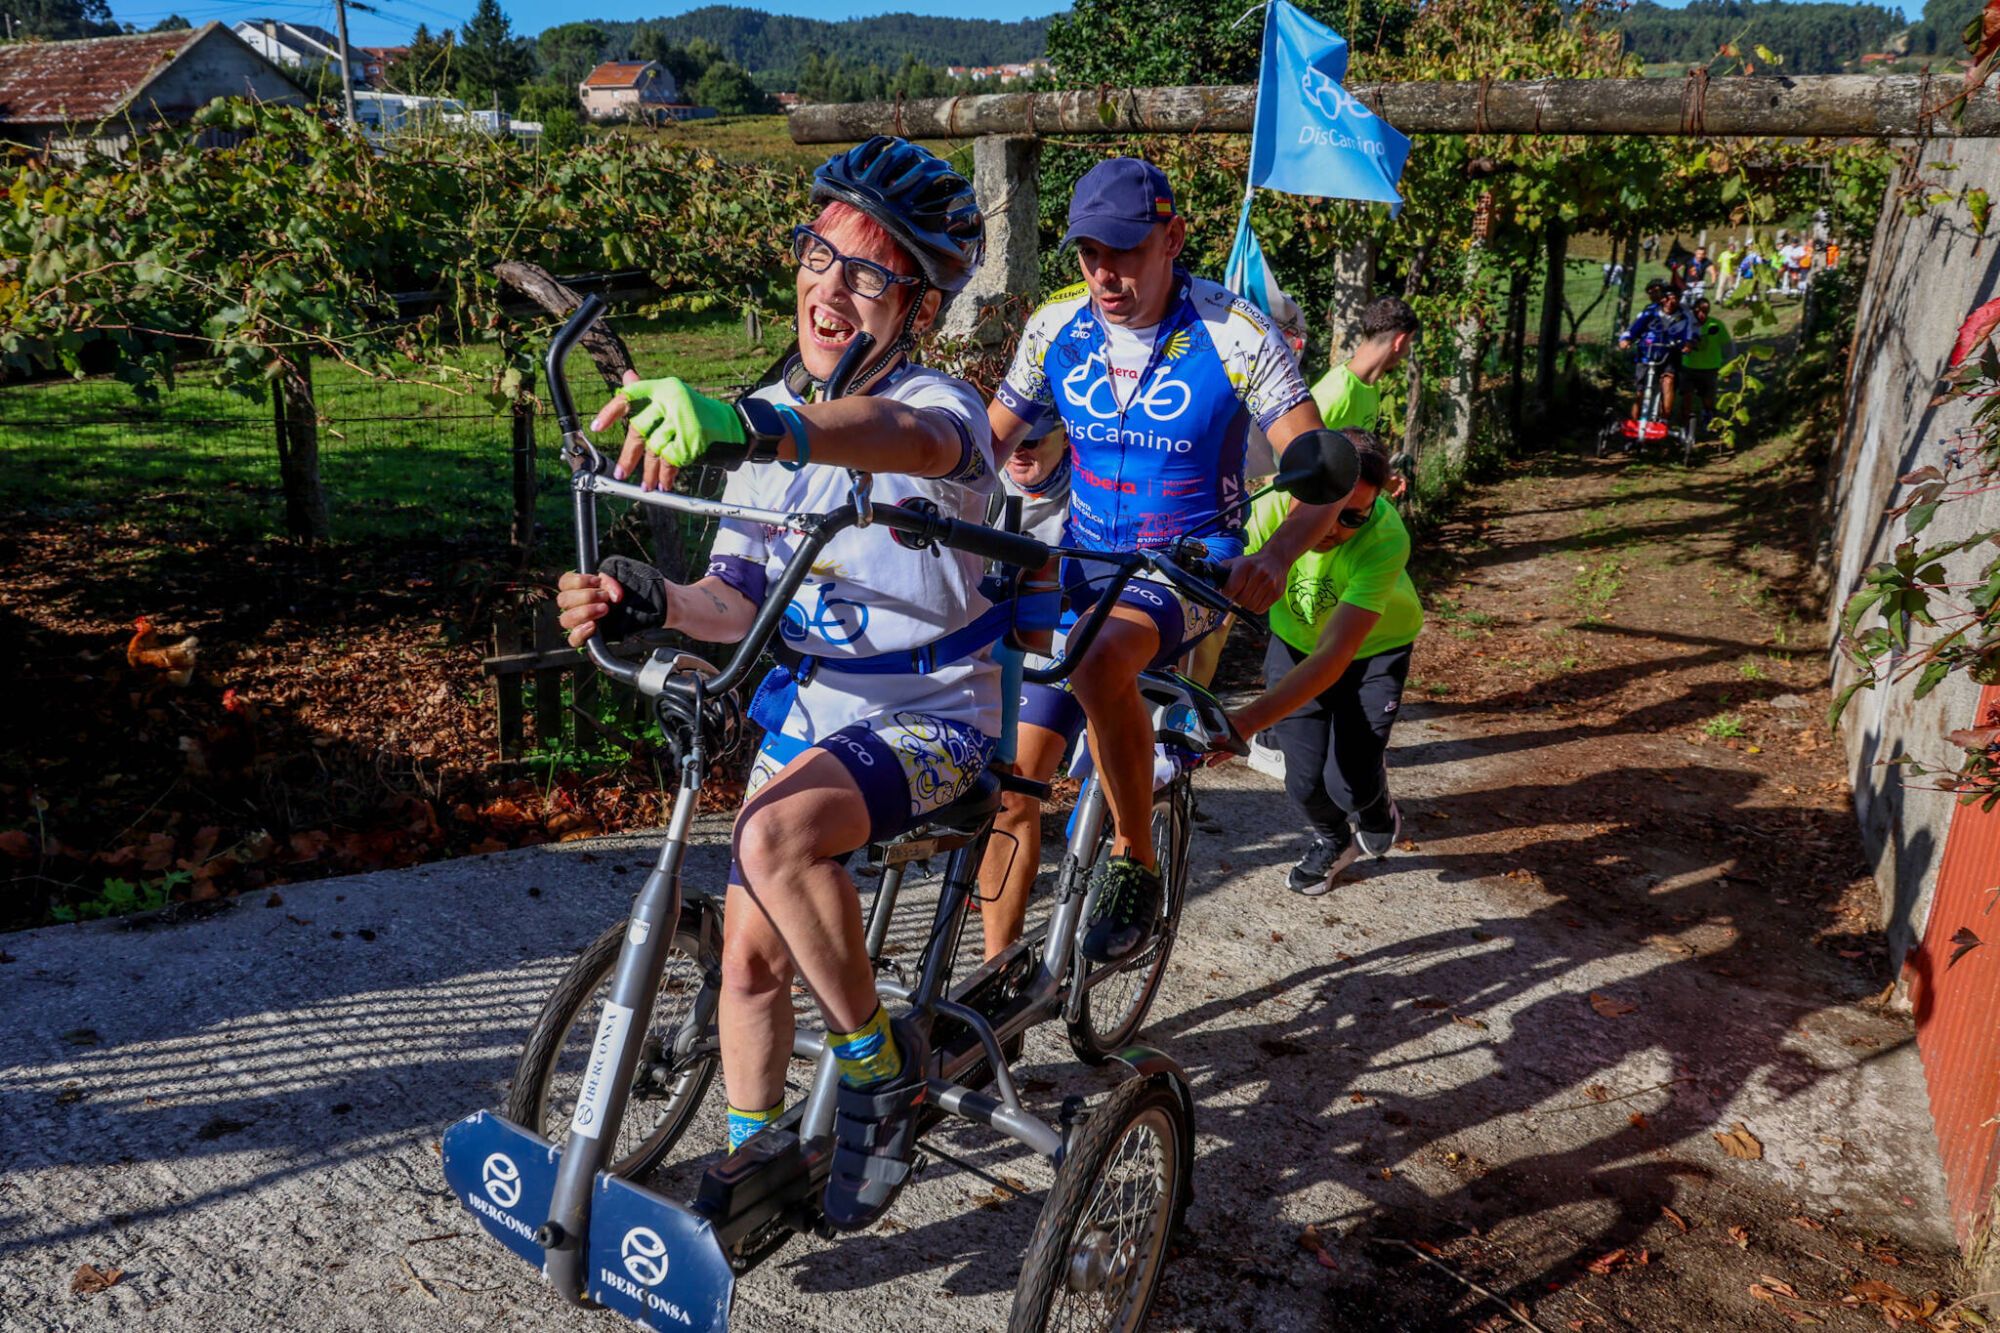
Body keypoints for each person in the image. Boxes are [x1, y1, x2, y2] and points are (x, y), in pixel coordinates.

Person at [552, 136, 996, 1231]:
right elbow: (736, 594)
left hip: (929, 716)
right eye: (816, 254)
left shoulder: (944, 409)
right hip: (813, 713)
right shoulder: (773, 423)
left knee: (771, 841)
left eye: (867, 274)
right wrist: (645, 594)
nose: (828, 288)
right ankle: (758, 1167)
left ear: (919, 309)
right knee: (746, 962)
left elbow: (899, 439)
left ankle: (879, 1067)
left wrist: (766, 421)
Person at [979, 155, 1340, 967]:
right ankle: (999, 983)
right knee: (1014, 786)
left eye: (1125, 251)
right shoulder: (1056, 329)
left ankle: (1134, 858)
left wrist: (1279, 554)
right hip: (1081, 567)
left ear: (1173, 237)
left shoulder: (1237, 331)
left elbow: (1320, 474)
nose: (1105, 274)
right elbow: (981, 445)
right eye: (1089, 254)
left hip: (1191, 569)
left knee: (1103, 657)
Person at [1225, 430, 1423, 894]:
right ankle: (1334, 840)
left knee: (1352, 782)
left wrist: (1247, 721)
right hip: (1294, 643)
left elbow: (1336, 654)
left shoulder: (1386, 536)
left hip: (1375, 651)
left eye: (1353, 517)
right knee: (1303, 781)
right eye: (1326, 510)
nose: (1334, 529)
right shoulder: (1269, 508)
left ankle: (1375, 808)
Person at [1310, 296, 1419, 432]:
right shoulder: (1335, 391)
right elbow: (1294, 447)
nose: (1407, 351)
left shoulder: (1372, 386)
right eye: (1408, 343)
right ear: (1399, 342)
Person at [1619, 279, 1693, 425]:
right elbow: (1634, 328)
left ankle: (1664, 419)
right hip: (1647, 353)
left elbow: (1688, 335)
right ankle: (1634, 422)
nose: (1670, 302)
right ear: (1662, 299)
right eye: (1667, 299)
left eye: (1675, 299)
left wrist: (1687, 344)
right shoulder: (1650, 312)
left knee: (1668, 381)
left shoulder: (1683, 317)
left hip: (1669, 355)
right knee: (1640, 390)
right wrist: (1626, 339)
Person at [1680, 295, 1729, 439]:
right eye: (1699, 311)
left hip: (1710, 367)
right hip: (1688, 367)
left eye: (1705, 311)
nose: (1702, 314)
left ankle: (1709, 415)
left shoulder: (1716, 325)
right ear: (1693, 310)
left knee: (1707, 398)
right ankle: (1685, 425)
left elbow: (1727, 346)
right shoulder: (1686, 325)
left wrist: (1729, 366)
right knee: (1686, 397)